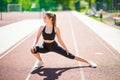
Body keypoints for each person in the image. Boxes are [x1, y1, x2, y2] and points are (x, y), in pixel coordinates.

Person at [31, 12, 97, 68]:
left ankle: (88, 62)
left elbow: (60, 40)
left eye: (45, 18)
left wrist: (66, 49)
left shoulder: (56, 28)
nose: (44, 19)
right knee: (33, 50)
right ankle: (40, 61)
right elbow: (37, 37)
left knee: (71, 56)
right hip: (45, 47)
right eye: (44, 17)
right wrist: (34, 45)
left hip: (54, 46)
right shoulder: (42, 27)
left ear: (50, 19)